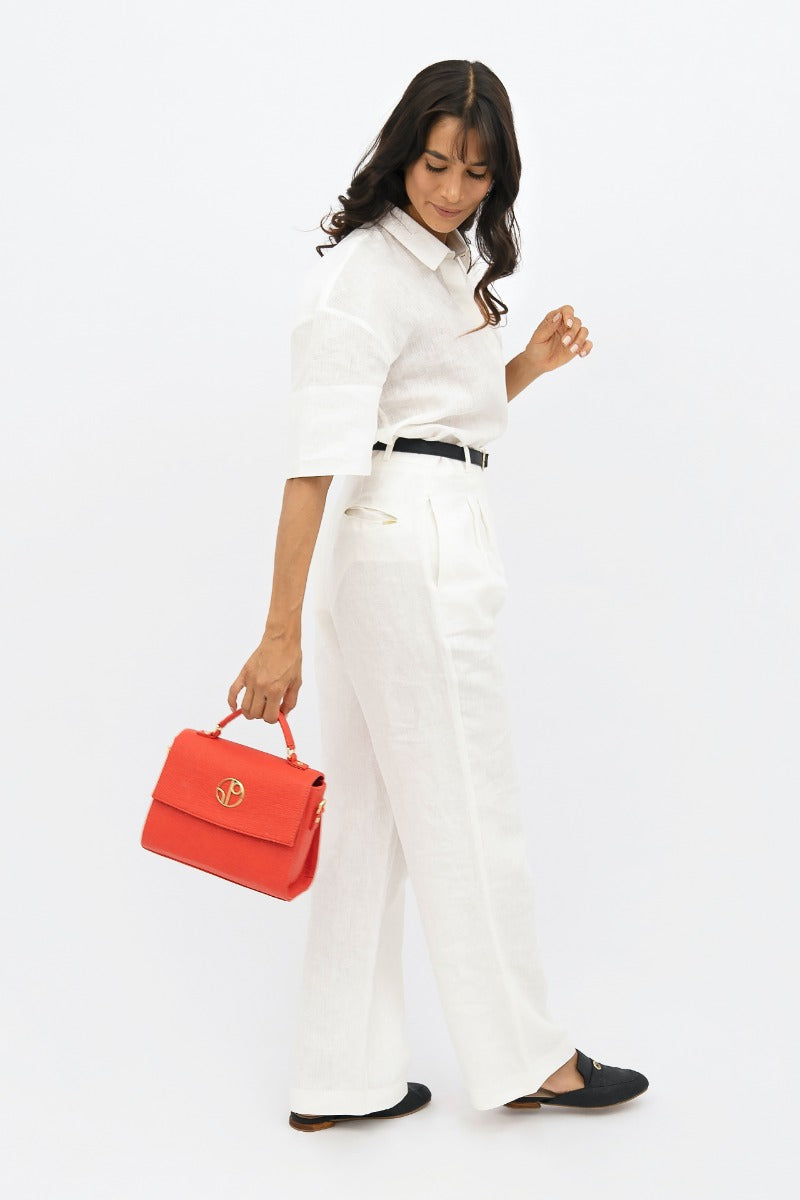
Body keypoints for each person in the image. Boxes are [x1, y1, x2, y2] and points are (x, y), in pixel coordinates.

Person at [228, 59, 649, 1132]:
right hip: (405, 541)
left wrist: (524, 368)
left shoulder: (443, 264)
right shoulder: (364, 272)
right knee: (470, 802)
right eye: (434, 164)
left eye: (476, 172)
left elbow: (429, 415)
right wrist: (278, 635)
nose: (453, 190)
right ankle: (531, 1058)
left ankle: (339, 1076)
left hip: (409, 531)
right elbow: (314, 464)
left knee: (371, 821)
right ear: (399, 154)